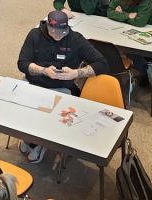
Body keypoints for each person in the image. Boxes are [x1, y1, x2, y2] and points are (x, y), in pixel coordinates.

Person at [16, 10, 108, 163]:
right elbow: (22, 63)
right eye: (54, 32)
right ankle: (28, 137)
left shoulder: (75, 39)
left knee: (49, 117)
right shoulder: (34, 35)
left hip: (61, 87)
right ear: (48, 27)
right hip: (33, 83)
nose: (59, 36)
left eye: (63, 32)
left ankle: (40, 143)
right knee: (18, 109)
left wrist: (76, 73)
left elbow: (102, 64)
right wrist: (43, 70)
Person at [107, 0, 152, 72]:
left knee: (131, 52)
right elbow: (109, 12)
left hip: (142, 32)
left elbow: (140, 22)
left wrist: (120, 15)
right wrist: (127, 15)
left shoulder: (145, 0)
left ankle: (145, 72)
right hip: (121, 29)